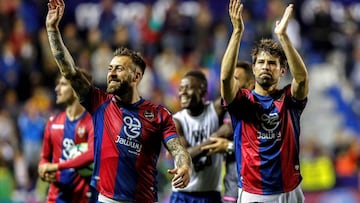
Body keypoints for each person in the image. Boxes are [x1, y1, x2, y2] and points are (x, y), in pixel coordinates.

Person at [45, 0, 192, 202]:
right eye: (109, 69)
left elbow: (177, 149)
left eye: (119, 69)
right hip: (107, 198)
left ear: (136, 77)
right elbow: (68, 70)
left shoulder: (159, 114)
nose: (111, 74)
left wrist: (184, 165)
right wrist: (52, 30)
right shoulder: (99, 103)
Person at [220, 0, 309, 202]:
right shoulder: (242, 102)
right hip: (255, 193)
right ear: (253, 68)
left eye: (272, 63)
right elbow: (225, 78)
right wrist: (237, 32)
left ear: (282, 70)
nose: (266, 67)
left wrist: (283, 36)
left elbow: (302, 79)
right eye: (260, 62)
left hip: (292, 190)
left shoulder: (289, 100)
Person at [169, 70, 232, 203]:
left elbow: (232, 95)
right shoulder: (176, 121)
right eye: (180, 89)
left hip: (211, 194)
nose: (182, 93)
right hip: (182, 195)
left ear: (203, 92)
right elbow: (186, 155)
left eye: (188, 88)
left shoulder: (215, 110)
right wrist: (217, 136)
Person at [38, 72, 97, 203]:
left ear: (77, 90)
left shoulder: (92, 122)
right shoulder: (53, 122)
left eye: (63, 84)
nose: (56, 89)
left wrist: (56, 167)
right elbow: (44, 158)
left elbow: (92, 153)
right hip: (56, 197)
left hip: (85, 198)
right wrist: (43, 171)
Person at [201, 60, 254, 203]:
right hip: (232, 181)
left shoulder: (255, 108)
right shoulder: (225, 106)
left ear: (250, 85)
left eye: (236, 78)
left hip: (255, 184)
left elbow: (226, 131)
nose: (229, 82)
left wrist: (227, 147)